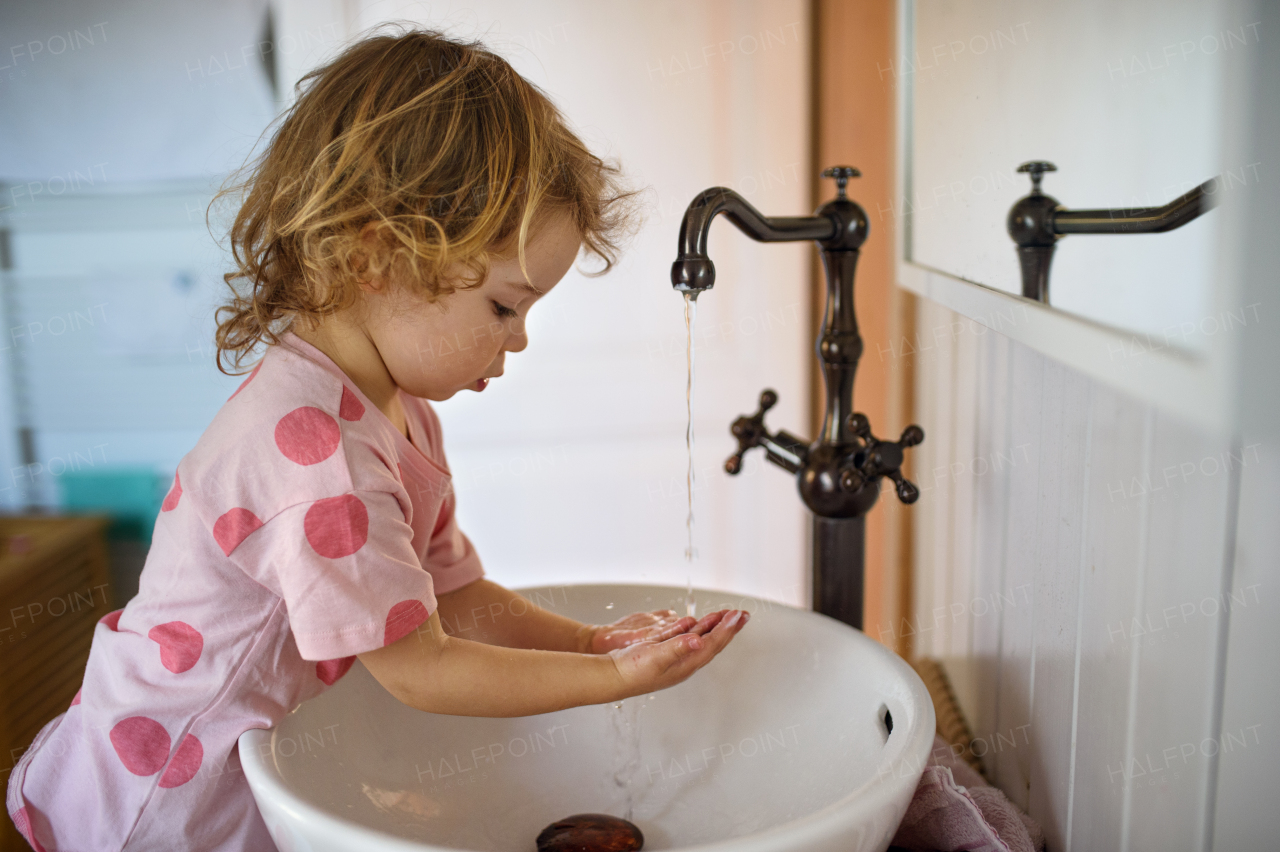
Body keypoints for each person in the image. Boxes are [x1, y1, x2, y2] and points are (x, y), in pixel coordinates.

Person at [6, 28, 748, 851]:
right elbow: (423, 669)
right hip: (162, 797)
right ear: (375, 259)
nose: (520, 340)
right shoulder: (319, 453)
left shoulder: (398, 411)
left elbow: (454, 599)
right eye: (503, 307)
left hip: (242, 759)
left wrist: (586, 641)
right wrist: (607, 681)